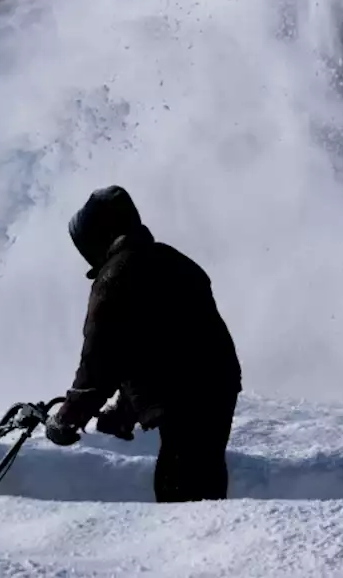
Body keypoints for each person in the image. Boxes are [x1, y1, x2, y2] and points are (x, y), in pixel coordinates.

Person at [44, 185, 242, 503]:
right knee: (204, 478)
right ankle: (210, 540)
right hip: (218, 385)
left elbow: (101, 360)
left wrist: (69, 418)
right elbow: (156, 346)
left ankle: (196, 546)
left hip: (185, 394)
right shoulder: (173, 260)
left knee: (179, 489)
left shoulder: (115, 277)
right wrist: (126, 410)